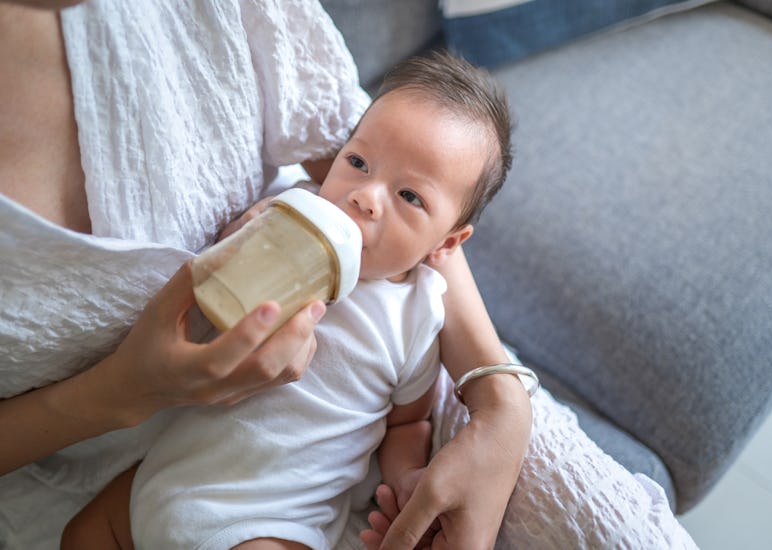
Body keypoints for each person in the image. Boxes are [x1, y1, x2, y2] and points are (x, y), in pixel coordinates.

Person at [0, 1, 532, 549]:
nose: (366, 197)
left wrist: (406, 479)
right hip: (157, 479)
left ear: (446, 243)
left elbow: (407, 424)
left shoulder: (418, 313)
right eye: (358, 163)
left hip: (270, 516)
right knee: (83, 534)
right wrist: (247, 228)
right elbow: (217, 261)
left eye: (410, 196)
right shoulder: (290, 214)